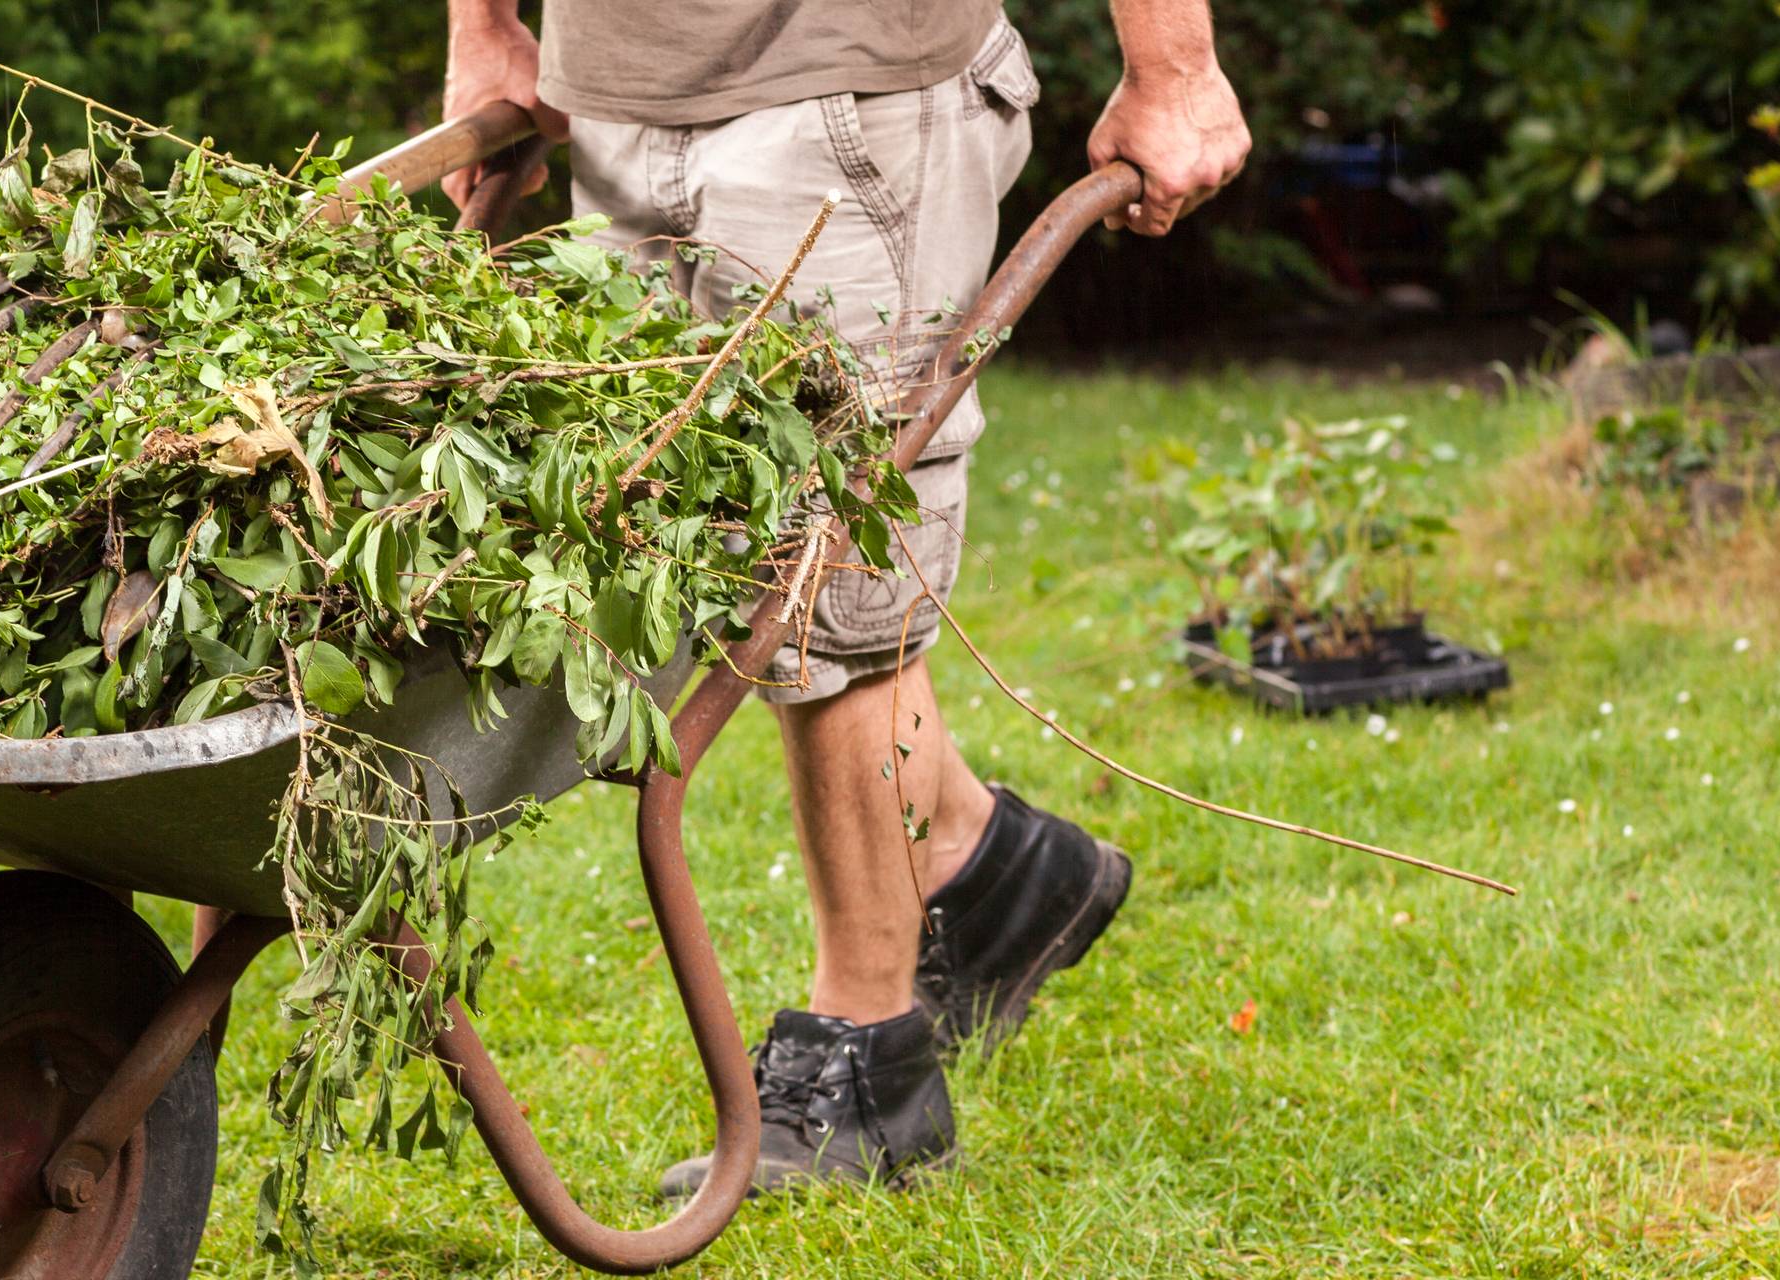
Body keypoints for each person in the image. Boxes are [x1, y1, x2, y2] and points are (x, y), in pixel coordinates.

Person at [441, 0, 1251, 1195]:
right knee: (730, 568)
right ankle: (988, 862)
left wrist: (1173, 66)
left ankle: (872, 1060)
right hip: (619, 93)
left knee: (835, 580)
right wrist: (487, 27)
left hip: (849, 91)